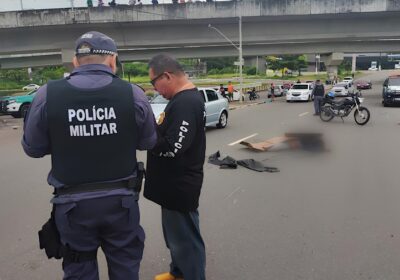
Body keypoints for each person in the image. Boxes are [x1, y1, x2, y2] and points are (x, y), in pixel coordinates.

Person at [22, 31, 157, 280]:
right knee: (126, 268)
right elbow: (148, 141)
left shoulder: (46, 95)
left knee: (79, 269)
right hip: (121, 204)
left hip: (72, 208)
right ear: (112, 60)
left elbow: (33, 148)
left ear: (75, 61)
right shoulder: (133, 94)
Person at [144, 54, 206, 280]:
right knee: (175, 237)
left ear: (167, 76)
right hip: (171, 186)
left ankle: (192, 276)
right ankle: (178, 272)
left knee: (186, 240)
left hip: (180, 186)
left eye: (154, 82)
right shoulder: (181, 100)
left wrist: (147, 136)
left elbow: (174, 147)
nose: (154, 88)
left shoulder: (187, 102)